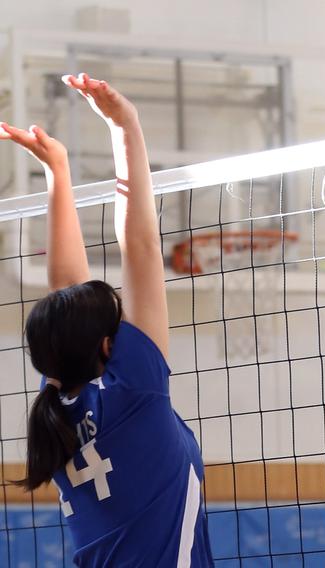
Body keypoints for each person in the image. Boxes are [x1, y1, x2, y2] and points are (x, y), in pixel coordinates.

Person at [3, 73, 213, 566]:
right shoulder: (131, 392)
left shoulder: (61, 405)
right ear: (104, 347)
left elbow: (67, 291)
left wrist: (59, 170)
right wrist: (125, 125)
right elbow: (139, 247)